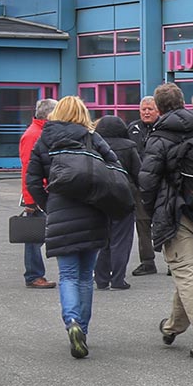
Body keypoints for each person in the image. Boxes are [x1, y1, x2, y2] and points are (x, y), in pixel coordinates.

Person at [25, 94, 125, 360]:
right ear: (82, 113)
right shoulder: (92, 137)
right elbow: (115, 168)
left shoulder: (45, 139)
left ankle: (72, 322)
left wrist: (50, 203)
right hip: (93, 210)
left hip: (60, 209)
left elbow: (32, 179)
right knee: (85, 276)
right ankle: (84, 329)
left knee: (68, 274)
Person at [140, 82, 193, 360]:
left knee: (186, 277)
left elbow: (148, 182)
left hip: (176, 214)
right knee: (190, 276)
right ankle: (173, 326)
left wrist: (151, 215)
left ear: (160, 108)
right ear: (183, 102)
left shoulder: (159, 137)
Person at [93, 115, 141, 291]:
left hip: (99, 198)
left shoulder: (94, 145)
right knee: (121, 240)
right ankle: (118, 279)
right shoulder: (129, 146)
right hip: (124, 197)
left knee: (102, 240)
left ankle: (101, 278)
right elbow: (138, 173)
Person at [18, 97, 55, 289]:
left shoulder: (40, 132)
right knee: (34, 237)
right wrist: (30, 200)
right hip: (38, 195)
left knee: (37, 236)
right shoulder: (33, 135)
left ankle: (34, 274)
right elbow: (28, 170)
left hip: (41, 192)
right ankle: (34, 275)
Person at [129, 95, 161, 275]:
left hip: (161, 183)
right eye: (144, 109)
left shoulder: (165, 127)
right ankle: (148, 261)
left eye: (150, 109)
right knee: (142, 223)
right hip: (139, 185)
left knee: (165, 221)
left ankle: (174, 262)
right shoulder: (132, 128)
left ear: (158, 111)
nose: (147, 112)